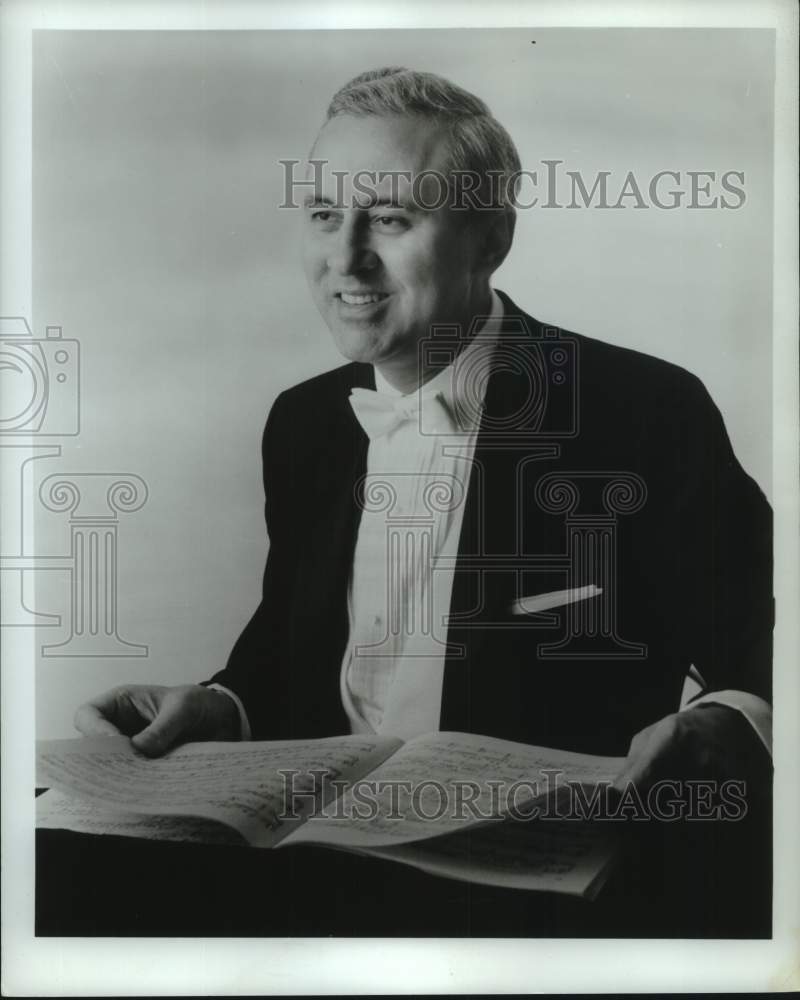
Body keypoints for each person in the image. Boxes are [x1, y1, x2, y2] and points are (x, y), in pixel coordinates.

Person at [75, 67, 773, 796]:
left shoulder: (648, 411)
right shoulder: (303, 423)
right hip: (322, 867)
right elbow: (289, 654)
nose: (345, 258)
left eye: (390, 219)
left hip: (539, 888)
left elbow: (762, 653)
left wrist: (733, 717)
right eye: (322, 214)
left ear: (491, 240)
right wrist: (223, 706)